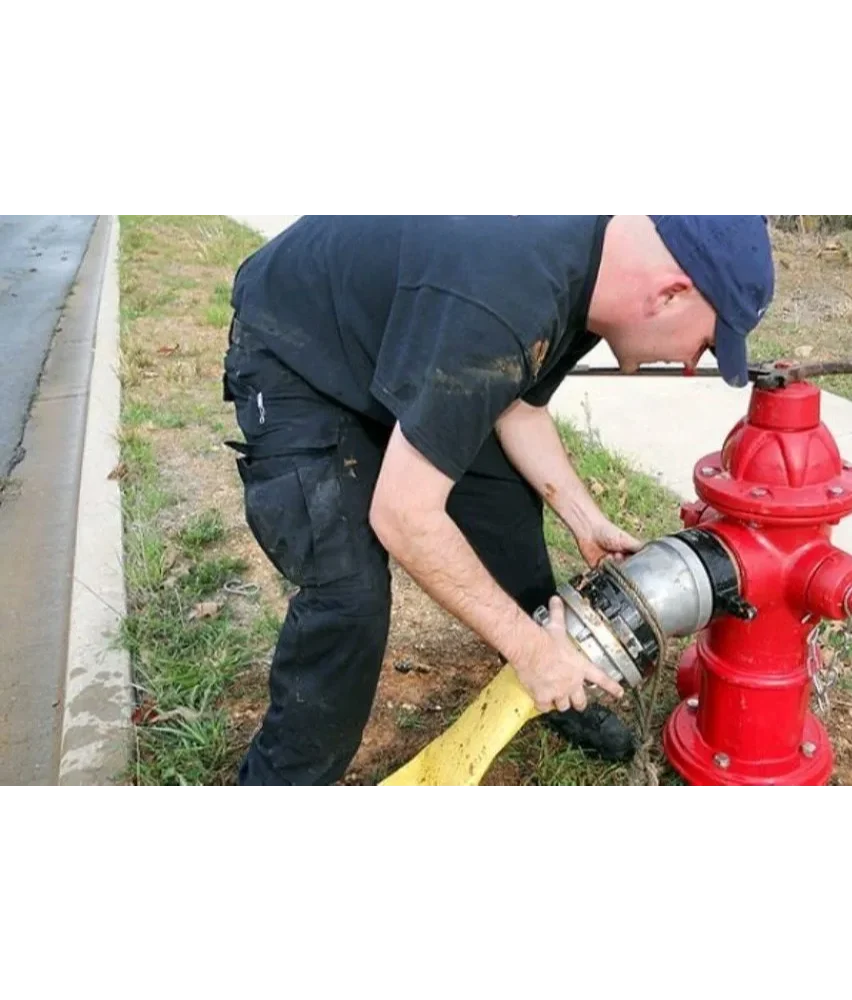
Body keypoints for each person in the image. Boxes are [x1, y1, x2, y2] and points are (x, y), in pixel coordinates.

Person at [222, 211, 775, 788]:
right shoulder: (508, 298)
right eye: (708, 343)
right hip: (299, 348)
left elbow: (518, 405)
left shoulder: (589, 271)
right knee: (349, 594)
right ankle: (280, 778)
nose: (691, 364)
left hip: (403, 336)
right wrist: (526, 646)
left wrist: (584, 518)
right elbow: (403, 514)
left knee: (504, 505)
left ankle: (559, 681)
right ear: (671, 293)